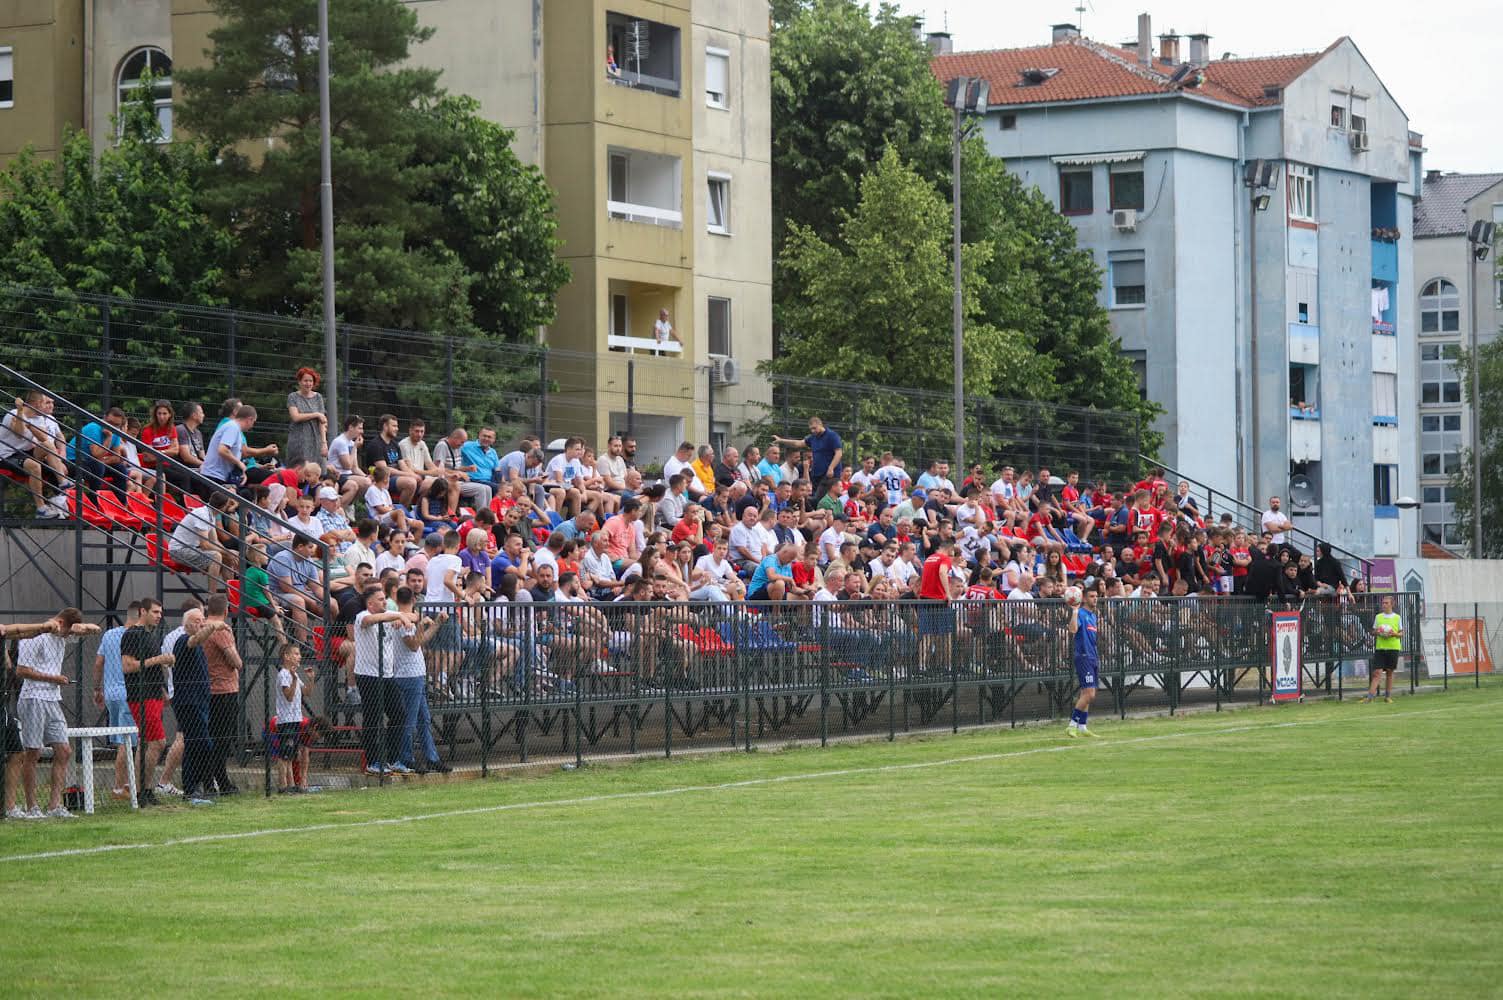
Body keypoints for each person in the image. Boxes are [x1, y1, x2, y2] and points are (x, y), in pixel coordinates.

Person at [7, 610, 99, 819]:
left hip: (52, 699)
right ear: (60, 622)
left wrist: (81, 628)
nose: (68, 636)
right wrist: (53, 678)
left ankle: (54, 806)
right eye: (67, 630)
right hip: (33, 697)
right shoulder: (35, 637)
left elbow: (94, 629)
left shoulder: (62, 635)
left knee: (64, 750)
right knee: (33, 752)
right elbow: (21, 671)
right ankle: (32, 806)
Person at [391, 587, 450, 774]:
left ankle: (432, 758)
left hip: (415, 674)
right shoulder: (402, 620)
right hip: (408, 675)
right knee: (410, 720)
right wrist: (422, 625)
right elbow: (414, 644)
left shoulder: (404, 618)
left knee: (424, 719)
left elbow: (420, 640)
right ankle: (406, 757)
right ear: (414, 600)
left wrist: (436, 624)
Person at [353, 587, 406, 775]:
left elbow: (412, 616)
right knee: (373, 718)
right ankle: (373, 761)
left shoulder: (390, 615)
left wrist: (401, 617)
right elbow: (369, 621)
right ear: (370, 603)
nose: (385, 602)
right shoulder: (362, 616)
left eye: (385, 598)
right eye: (381, 599)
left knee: (399, 713)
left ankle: (392, 758)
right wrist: (397, 616)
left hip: (387, 675)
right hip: (368, 675)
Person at [274, 643, 315, 793]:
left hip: (295, 719)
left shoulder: (294, 675)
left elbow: (307, 692)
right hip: (286, 720)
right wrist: (294, 680)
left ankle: (290, 785)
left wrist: (310, 680)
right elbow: (289, 697)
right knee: (284, 754)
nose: (299, 657)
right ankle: (283, 785)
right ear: (287, 656)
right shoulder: (284, 674)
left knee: (291, 754)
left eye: (299, 654)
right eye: (296, 654)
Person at [773, 416, 844, 499]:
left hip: (829, 475)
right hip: (817, 475)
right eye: (811, 429)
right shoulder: (813, 438)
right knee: (815, 497)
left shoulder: (832, 436)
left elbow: (839, 453)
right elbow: (798, 443)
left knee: (819, 499)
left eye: (814, 428)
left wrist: (831, 468)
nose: (813, 431)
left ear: (820, 425)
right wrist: (781, 440)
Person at [1065, 586, 1102, 738]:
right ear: (1084, 598)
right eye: (1092, 596)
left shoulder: (1093, 616)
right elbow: (1073, 630)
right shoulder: (1080, 613)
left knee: (1086, 693)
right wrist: (1074, 611)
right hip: (1083, 656)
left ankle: (1082, 726)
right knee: (1089, 694)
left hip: (1093, 656)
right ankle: (1072, 725)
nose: (1095, 599)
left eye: (1096, 596)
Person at [1363, 595, 1403, 704]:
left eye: (1386, 603)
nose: (1384, 605)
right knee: (1377, 672)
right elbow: (1373, 631)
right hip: (1380, 648)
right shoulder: (1378, 617)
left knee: (1389, 672)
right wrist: (1378, 632)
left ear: (1392, 604)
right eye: (1383, 603)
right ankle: (1370, 697)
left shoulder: (1397, 617)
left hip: (1393, 648)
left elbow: (1401, 633)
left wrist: (1394, 634)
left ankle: (1388, 696)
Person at [285, 367, 328, 466]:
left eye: (310, 381)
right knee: (298, 469)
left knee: (316, 470)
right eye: (305, 381)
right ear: (299, 382)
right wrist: (316, 414)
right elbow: (295, 417)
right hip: (298, 441)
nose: (308, 383)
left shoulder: (318, 397)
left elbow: (322, 422)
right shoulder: (293, 397)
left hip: (315, 441)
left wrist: (324, 443)